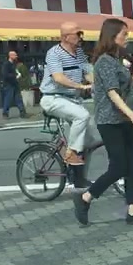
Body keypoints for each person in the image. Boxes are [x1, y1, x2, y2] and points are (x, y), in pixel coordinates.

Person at [73, 18, 133, 226]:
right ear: (113, 36)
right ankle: (86, 197)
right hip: (110, 121)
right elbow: (113, 94)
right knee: (119, 166)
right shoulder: (104, 62)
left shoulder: (115, 59)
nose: (127, 38)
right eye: (124, 34)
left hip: (122, 119)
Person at [39, 22, 95, 169]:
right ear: (65, 37)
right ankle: (71, 152)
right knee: (82, 116)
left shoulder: (79, 52)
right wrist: (81, 86)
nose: (81, 37)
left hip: (72, 99)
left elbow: (88, 73)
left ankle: (78, 177)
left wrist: (99, 83)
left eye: (81, 33)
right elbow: (59, 78)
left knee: (88, 141)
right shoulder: (54, 53)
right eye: (78, 34)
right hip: (53, 98)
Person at [0, 50, 28, 120]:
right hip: (9, 84)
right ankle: (5, 113)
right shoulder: (6, 64)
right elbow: (5, 75)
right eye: (15, 55)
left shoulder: (13, 64)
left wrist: (17, 75)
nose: (16, 56)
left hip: (15, 83)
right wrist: (15, 76)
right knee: (8, 99)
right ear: (10, 56)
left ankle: (22, 112)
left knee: (18, 98)